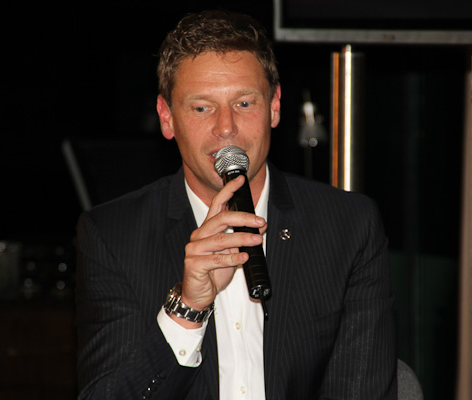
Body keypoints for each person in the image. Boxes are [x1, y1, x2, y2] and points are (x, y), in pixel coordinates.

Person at [75, 9, 397, 400]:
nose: (226, 127)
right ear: (167, 117)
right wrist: (188, 309)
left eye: (244, 103)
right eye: (202, 107)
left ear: (274, 106)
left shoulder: (348, 226)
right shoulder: (113, 235)